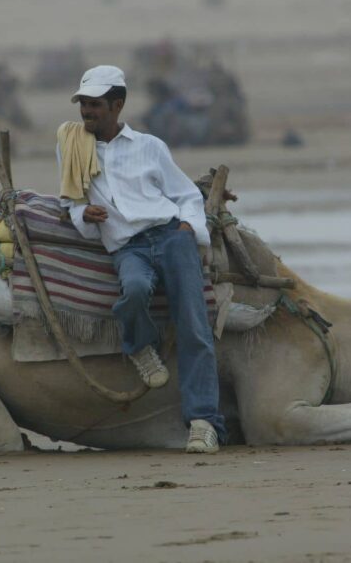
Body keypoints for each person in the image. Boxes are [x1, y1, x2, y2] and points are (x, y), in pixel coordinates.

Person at [57, 65, 226, 454]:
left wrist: (188, 229)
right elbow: (70, 202)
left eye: (95, 104)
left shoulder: (149, 146)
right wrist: (86, 215)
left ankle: (203, 423)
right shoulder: (72, 146)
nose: (86, 112)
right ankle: (138, 345)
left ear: (117, 106)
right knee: (133, 290)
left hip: (170, 236)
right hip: (128, 246)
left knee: (194, 325)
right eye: (83, 104)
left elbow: (185, 195)